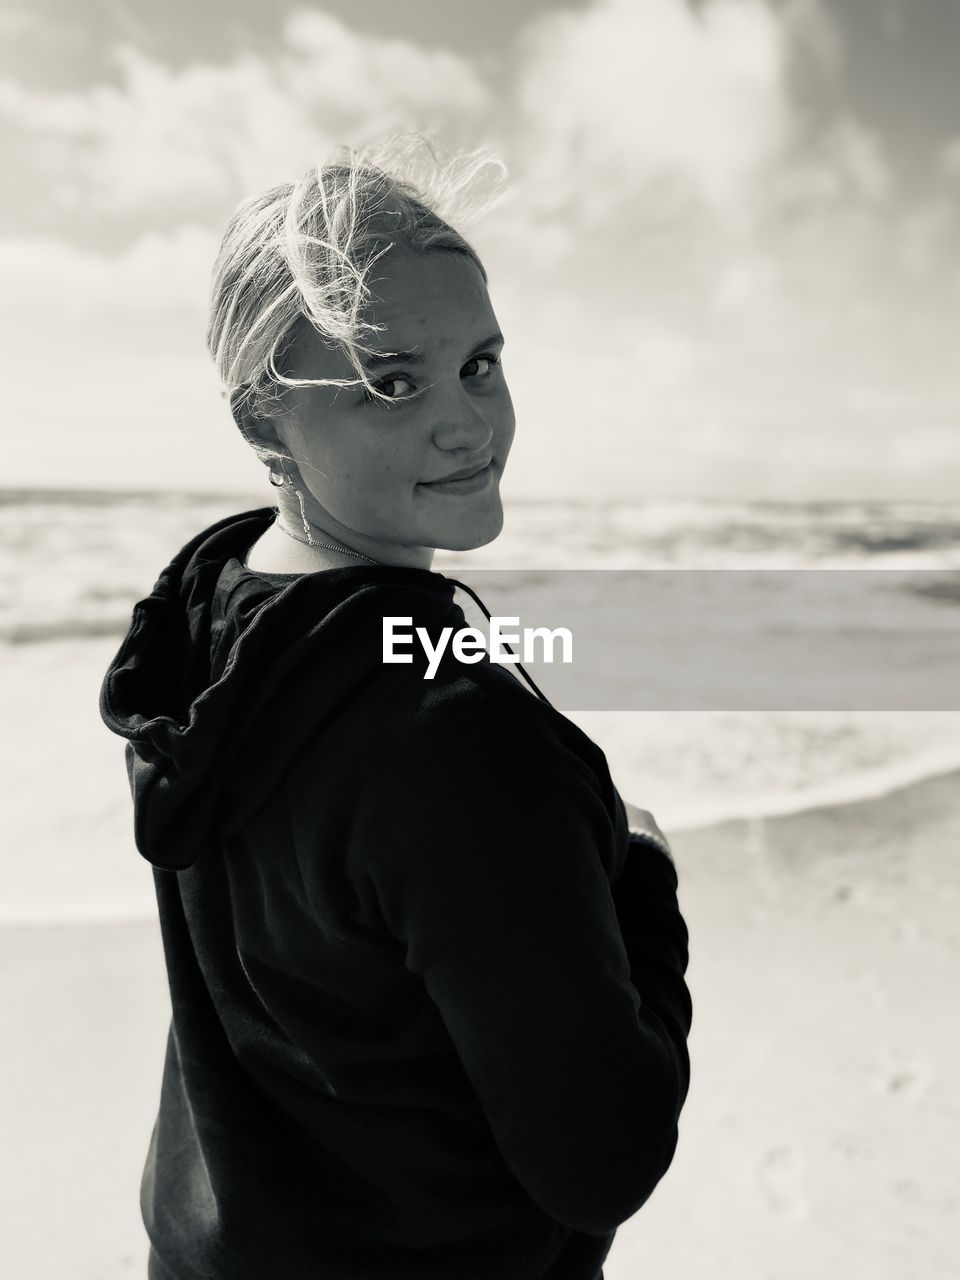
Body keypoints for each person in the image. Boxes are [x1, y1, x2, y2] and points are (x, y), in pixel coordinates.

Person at [99, 135, 692, 1280]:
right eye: (390, 381)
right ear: (264, 424)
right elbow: (601, 1157)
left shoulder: (210, 623)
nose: (467, 423)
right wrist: (644, 888)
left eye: (479, 362)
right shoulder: (454, 741)